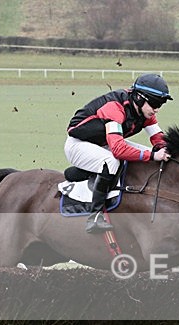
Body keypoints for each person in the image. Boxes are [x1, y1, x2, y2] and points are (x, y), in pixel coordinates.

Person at [65, 73, 173, 233]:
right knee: (112, 161)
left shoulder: (145, 112)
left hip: (103, 143)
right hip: (78, 145)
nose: (156, 109)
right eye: (154, 103)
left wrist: (164, 150)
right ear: (139, 98)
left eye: (161, 104)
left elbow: (158, 139)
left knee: (148, 154)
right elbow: (118, 149)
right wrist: (152, 155)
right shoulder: (115, 108)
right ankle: (95, 216)